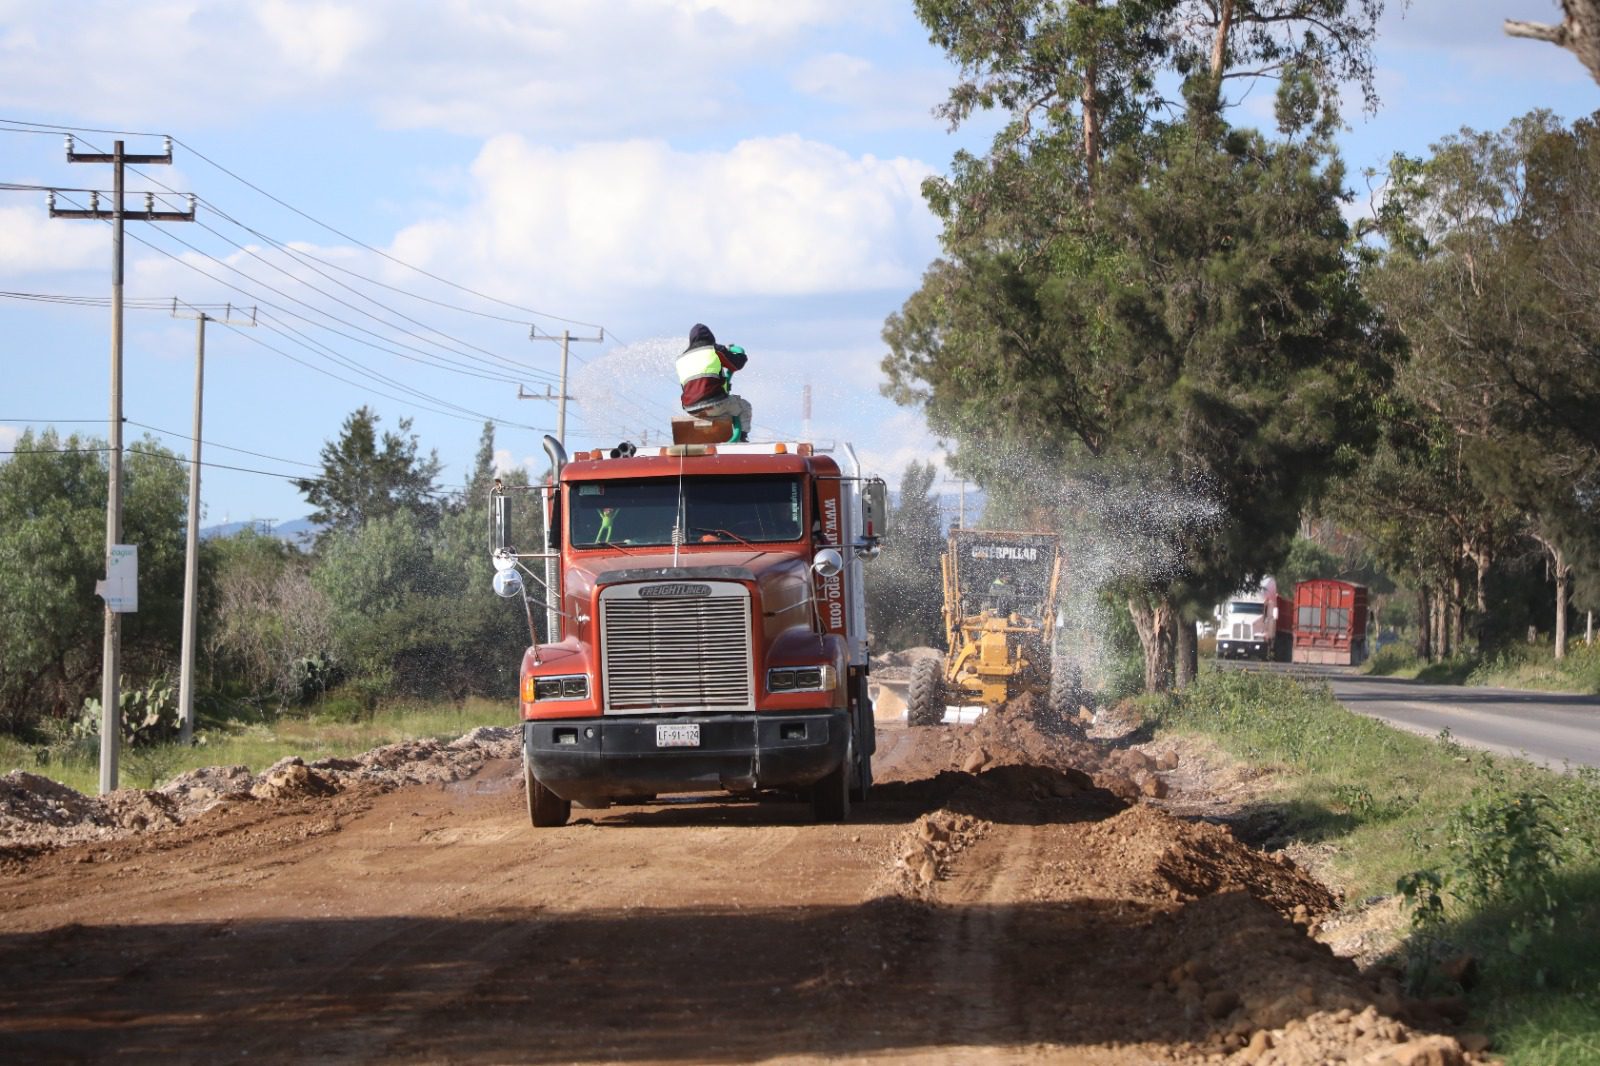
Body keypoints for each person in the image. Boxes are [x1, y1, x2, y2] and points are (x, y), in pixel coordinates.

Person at [676, 323, 752, 442]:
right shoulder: (714, 349)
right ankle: (741, 439)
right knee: (744, 407)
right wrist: (740, 355)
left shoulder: (681, 359)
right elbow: (736, 364)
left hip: (691, 408)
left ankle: (718, 439)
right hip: (714, 403)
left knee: (724, 414)